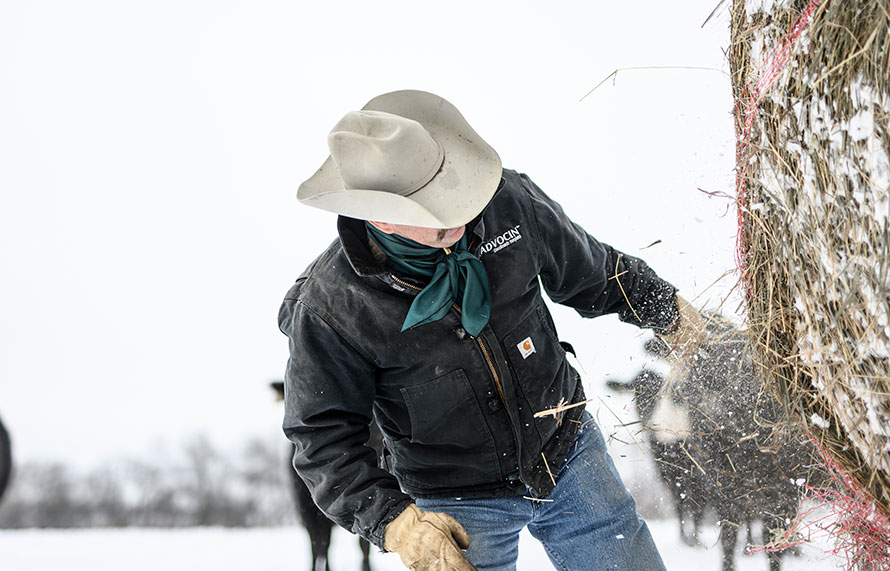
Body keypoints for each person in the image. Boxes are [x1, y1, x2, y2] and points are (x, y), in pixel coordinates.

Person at [279, 89, 704, 571]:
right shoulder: (331, 309)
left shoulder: (508, 204)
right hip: (452, 496)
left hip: (563, 447)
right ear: (381, 217)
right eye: (434, 212)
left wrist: (666, 308)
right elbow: (322, 438)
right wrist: (395, 523)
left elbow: (593, 272)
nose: (459, 217)